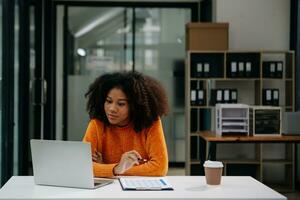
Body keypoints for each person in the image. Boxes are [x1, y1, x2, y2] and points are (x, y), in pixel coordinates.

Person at [82, 71, 169, 177]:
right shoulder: (97, 125)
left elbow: (159, 168)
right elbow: (82, 167)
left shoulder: (150, 123)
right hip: (108, 189)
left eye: (121, 104)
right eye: (109, 101)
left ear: (134, 106)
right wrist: (117, 168)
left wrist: (111, 169)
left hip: (142, 189)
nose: (112, 109)